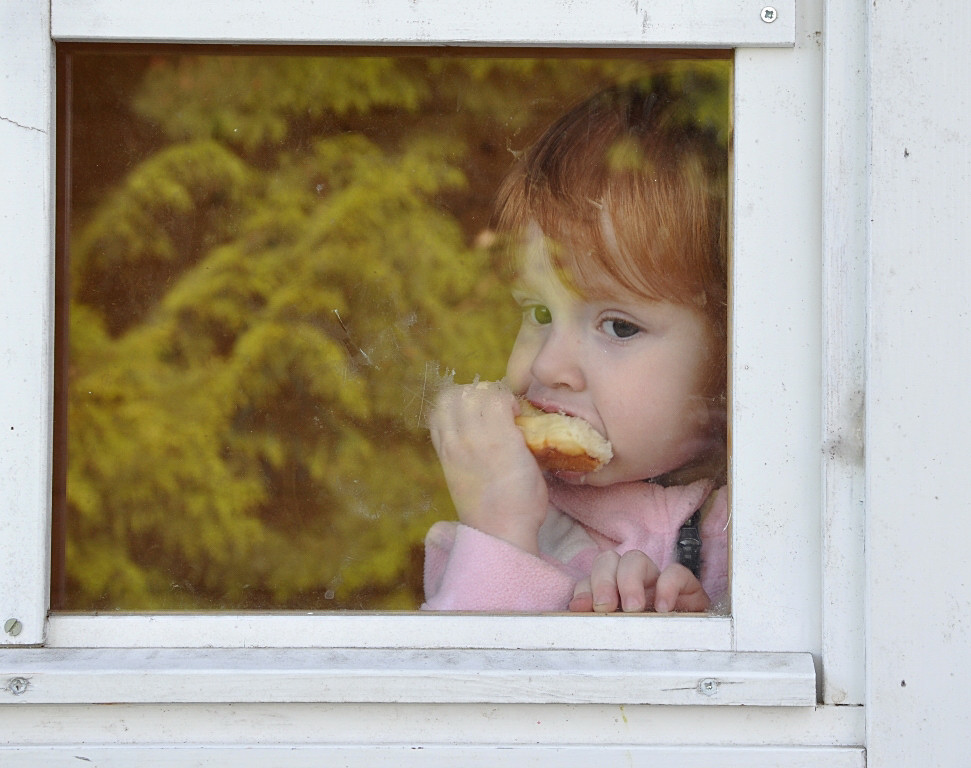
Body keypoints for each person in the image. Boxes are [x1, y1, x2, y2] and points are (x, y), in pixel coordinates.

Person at [423, 80, 729, 613]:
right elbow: (460, 687)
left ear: (730, 358)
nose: (546, 363)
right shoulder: (507, 514)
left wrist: (693, 635)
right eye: (538, 313)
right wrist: (501, 532)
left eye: (619, 327)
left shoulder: (764, 538)